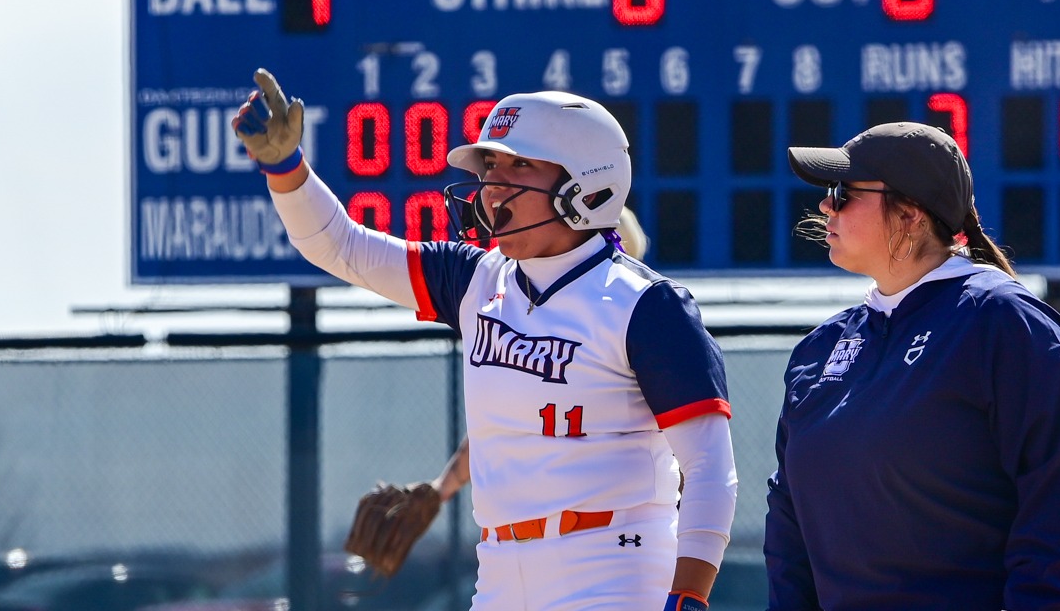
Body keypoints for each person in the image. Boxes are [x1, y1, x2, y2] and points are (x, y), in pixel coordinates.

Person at [233, 69, 737, 611]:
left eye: (519, 164)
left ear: (587, 185)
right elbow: (342, 247)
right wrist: (287, 170)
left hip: (614, 566)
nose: (494, 183)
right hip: (498, 569)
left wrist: (689, 595)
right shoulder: (477, 279)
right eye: (491, 165)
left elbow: (710, 467)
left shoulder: (647, 305)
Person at [765, 122, 1060, 610]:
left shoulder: (1004, 322)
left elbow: (1056, 505)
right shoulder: (819, 349)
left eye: (843, 193)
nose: (826, 206)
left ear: (910, 215)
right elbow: (788, 523)